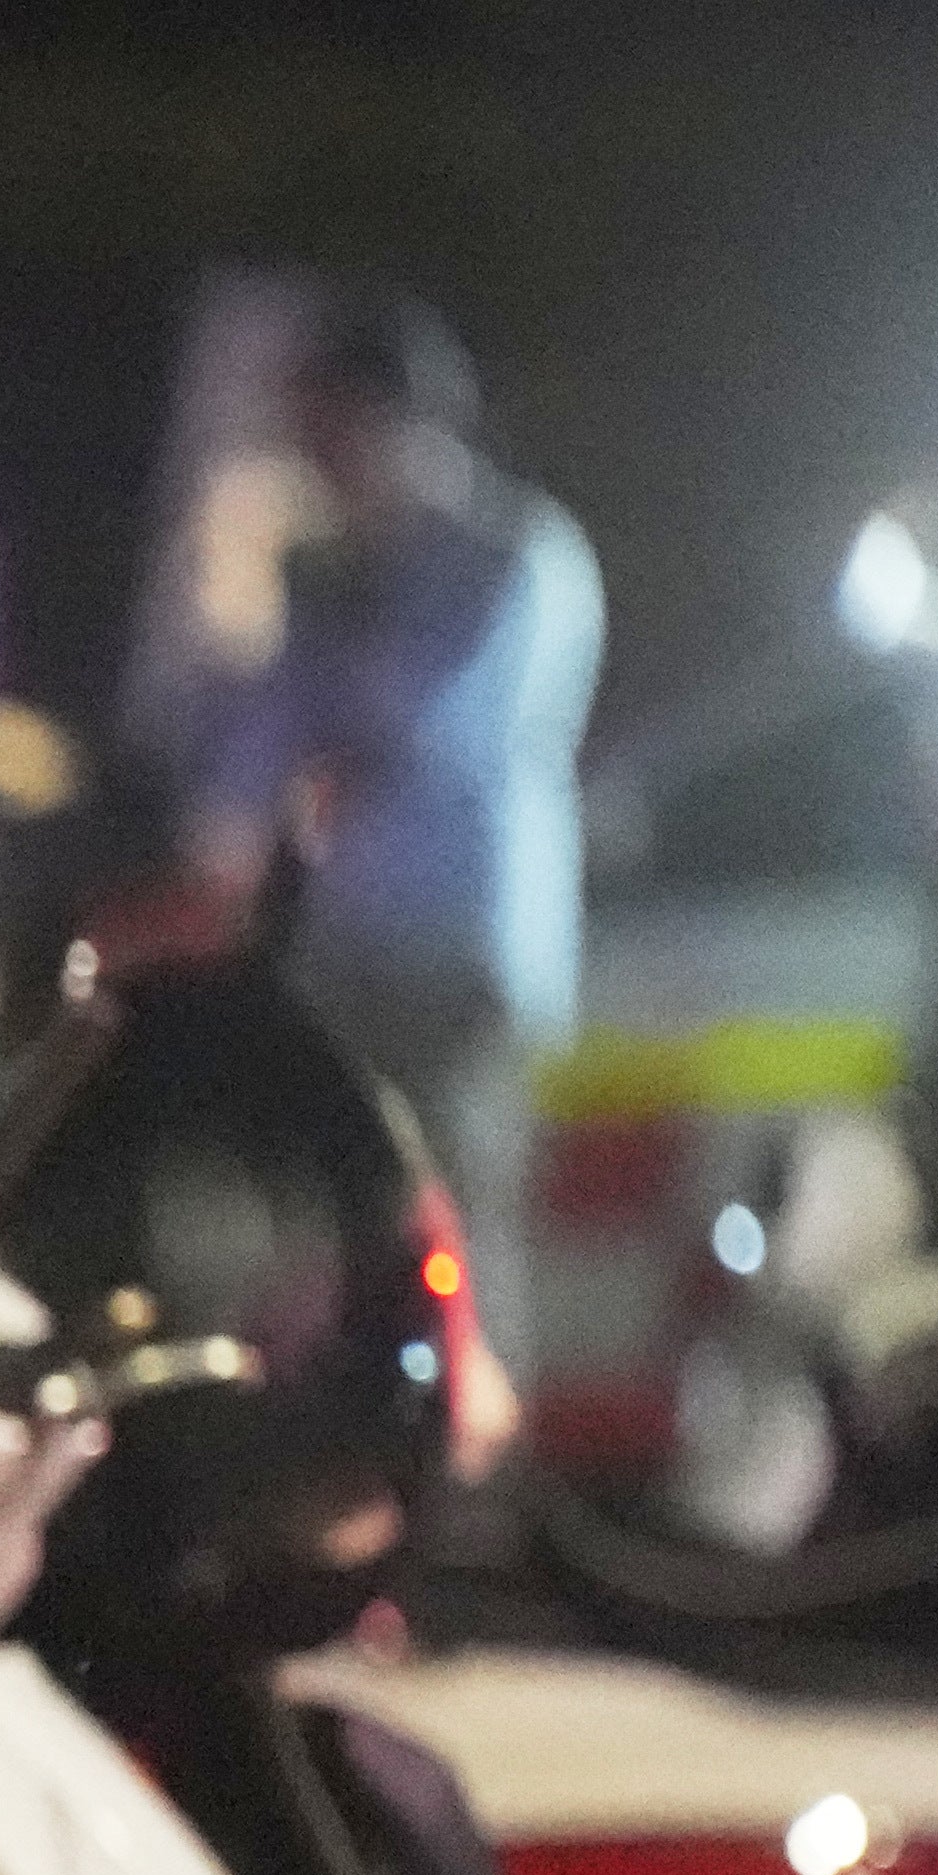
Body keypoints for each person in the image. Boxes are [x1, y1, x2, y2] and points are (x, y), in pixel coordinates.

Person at [185, 291, 605, 1254]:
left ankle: (478, 1404)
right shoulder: (315, 568)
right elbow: (247, 756)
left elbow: (430, 724)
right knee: (332, 1223)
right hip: (338, 945)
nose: (315, 463)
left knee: (453, 1223)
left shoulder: (515, 556)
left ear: (400, 420)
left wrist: (330, 618)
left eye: (332, 432)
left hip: (457, 951)